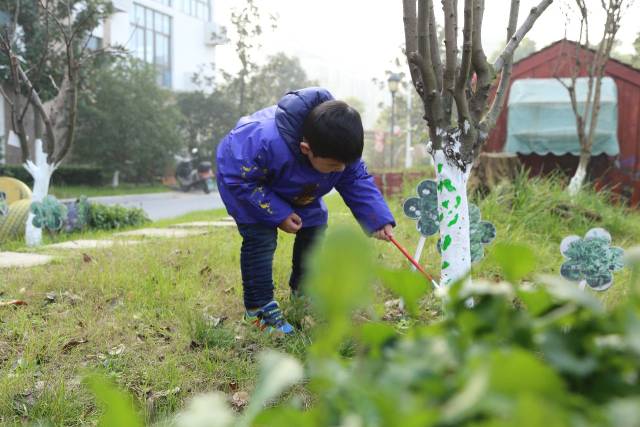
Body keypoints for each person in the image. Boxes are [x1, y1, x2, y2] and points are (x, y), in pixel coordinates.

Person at [216, 87, 395, 334]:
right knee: (261, 237)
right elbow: (237, 178)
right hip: (249, 184)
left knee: (315, 223)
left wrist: (377, 219)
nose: (340, 170)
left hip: (302, 183)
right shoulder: (261, 139)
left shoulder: (337, 147)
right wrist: (277, 214)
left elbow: (355, 179)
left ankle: (304, 291)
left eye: (345, 164)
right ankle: (258, 310)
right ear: (305, 148)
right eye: (333, 165)